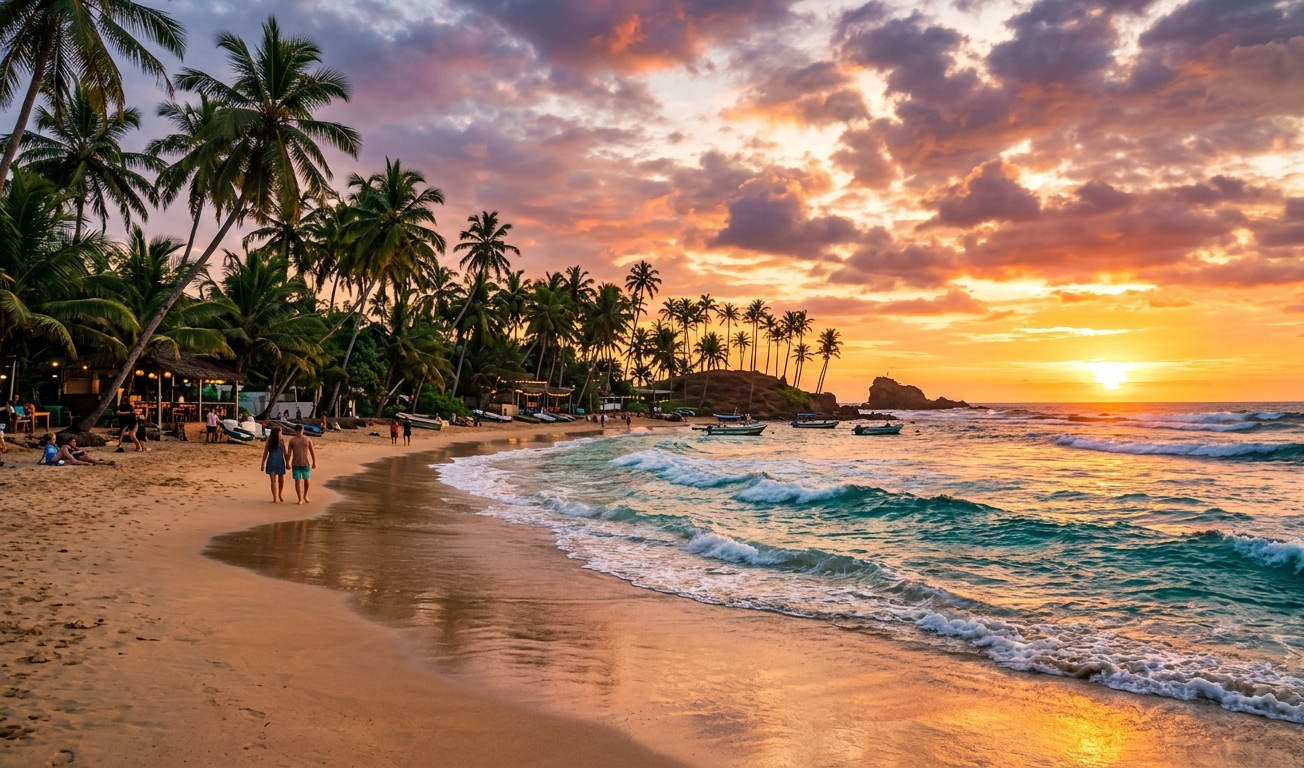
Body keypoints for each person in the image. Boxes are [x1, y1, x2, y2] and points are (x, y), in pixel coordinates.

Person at [287, 425, 316, 505]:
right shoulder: (292, 440)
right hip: (296, 464)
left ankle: (305, 495)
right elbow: (289, 452)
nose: (298, 432)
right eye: (297, 431)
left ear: (303, 430)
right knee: (297, 480)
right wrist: (287, 462)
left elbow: (312, 450)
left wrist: (314, 461)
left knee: (307, 480)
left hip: (305, 463)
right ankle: (300, 498)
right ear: (295, 431)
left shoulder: (307, 439)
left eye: (300, 431)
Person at [260, 426, 287, 503]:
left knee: (281, 480)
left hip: (280, 462)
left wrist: (287, 462)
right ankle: (275, 497)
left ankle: (279, 494)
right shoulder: (270, 441)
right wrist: (262, 464)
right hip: (271, 461)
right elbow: (265, 452)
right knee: (273, 481)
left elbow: (284, 452)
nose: (281, 434)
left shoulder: (282, 441)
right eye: (280, 432)